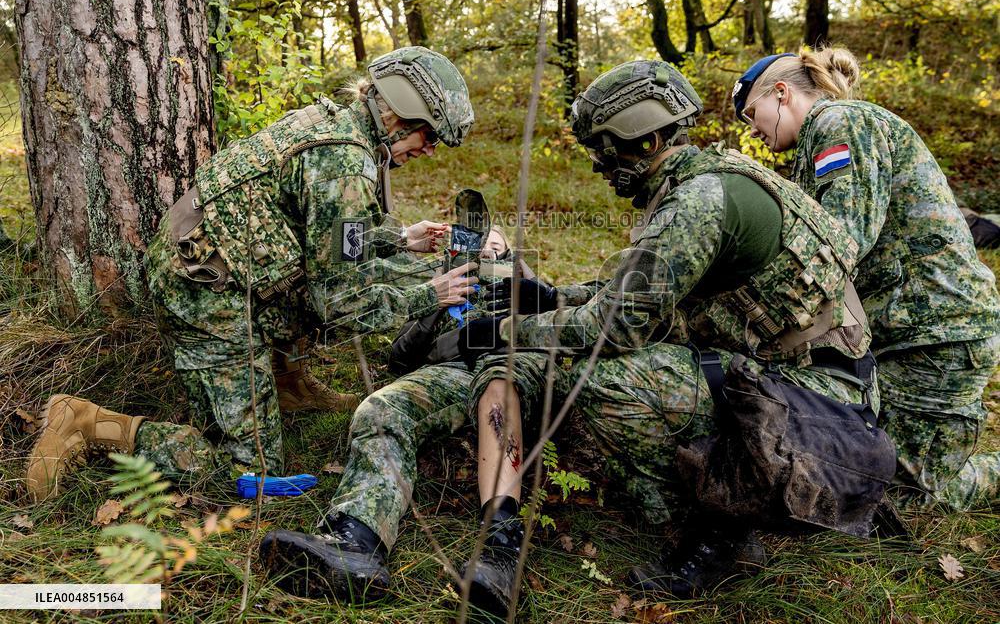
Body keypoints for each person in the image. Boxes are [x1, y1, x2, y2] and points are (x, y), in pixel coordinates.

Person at [456, 60, 890, 612]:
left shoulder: (697, 203)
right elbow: (641, 291)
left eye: (605, 149)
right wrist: (551, 295)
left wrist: (503, 331)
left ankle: (713, 525)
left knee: (600, 378)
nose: (600, 167)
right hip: (804, 382)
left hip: (817, 407)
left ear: (647, 138)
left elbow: (614, 328)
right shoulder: (708, 182)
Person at [25, 46, 478, 503]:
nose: (429, 149)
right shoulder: (343, 163)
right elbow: (341, 304)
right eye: (430, 136)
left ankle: (285, 382)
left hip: (223, 265)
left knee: (360, 274)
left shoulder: (336, 125)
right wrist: (429, 295)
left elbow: (327, 231)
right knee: (245, 470)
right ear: (402, 116)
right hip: (204, 295)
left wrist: (400, 239)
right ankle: (85, 423)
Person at [257, 198, 588, 611]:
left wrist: (537, 294)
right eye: (477, 244)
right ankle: (355, 541)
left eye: (495, 244)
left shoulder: (531, 287)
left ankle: (501, 552)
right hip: (452, 373)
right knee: (380, 409)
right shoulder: (446, 284)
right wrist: (436, 302)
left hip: (514, 363)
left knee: (498, 389)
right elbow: (399, 358)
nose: (486, 249)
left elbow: (585, 319)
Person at [732, 48, 1000, 510]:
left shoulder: (840, 124)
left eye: (752, 113)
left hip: (939, 336)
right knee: (857, 466)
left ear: (781, 93)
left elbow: (839, 244)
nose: (751, 129)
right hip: (899, 336)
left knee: (899, 496)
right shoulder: (819, 143)